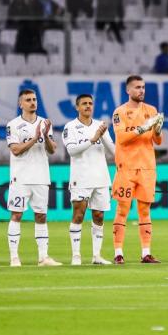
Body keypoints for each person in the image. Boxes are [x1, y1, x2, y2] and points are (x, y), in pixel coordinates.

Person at [111, 75, 164, 264]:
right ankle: (118, 252)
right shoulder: (119, 112)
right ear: (128, 90)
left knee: (145, 210)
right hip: (126, 167)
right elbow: (122, 139)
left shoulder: (151, 110)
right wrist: (143, 128)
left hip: (147, 167)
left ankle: (146, 253)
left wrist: (157, 129)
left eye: (143, 87)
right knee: (123, 209)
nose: (141, 90)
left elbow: (158, 141)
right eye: (137, 87)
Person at [5, 89, 62, 267]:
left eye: (34, 99)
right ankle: (14, 257)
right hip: (20, 177)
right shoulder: (12, 125)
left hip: (41, 176)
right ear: (20, 104)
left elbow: (52, 150)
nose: (32, 102)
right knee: (17, 214)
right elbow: (15, 150)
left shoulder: (45, 123)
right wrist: (34, 138)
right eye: (28, 100)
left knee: (41, 216)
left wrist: (44, 136)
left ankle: (43, 257)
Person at [62, 94, 115, 265]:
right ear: (77, 107)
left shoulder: (100, 125)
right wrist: (93, 139)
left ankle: (96, 256)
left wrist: (103, 135)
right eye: (84, 104)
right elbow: (72, 151)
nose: (88, 106)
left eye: (90, 103)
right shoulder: (70, 127)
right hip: (81, 177)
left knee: (99, 216)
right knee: (78, 214)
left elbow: (113, 151)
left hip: (101, 177)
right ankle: (76, 256)